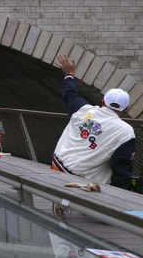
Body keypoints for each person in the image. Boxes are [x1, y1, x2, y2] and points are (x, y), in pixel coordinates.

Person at [51, 54, 134, 190]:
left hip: (58, 166)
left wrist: (68, 73)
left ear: (103, 102)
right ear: (126, 108)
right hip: (81, 177)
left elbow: (70, 93)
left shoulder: (83, 110)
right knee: (107, 169)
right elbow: (122, 166)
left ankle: (65, 200)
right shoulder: (126, 131)